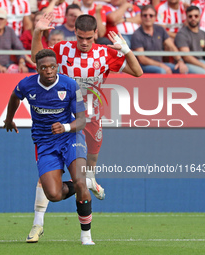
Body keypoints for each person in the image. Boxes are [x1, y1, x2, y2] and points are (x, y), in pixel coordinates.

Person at [26, 13, 143, 243]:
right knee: (47, 175)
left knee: (87, 171)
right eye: (80, 37)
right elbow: (36, 59)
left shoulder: (105, 53)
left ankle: (90, 183)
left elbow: (137, 72)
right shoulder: (62, 49)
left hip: (92, 119)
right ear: (75, 33)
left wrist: (126, 50)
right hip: (63, 120)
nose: (84, 43)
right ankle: (37, 225)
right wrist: (38, 32)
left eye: (89, 38)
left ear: (95, 35)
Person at [4, 48, 95, 245]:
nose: (48, 71)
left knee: (78, 180)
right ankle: (86, 184)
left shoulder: (69, 85)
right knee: (53, 195)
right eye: (43, 67)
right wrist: (9, 119)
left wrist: (65, 126)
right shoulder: (27, 85)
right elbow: (14, 97)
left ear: (57, 67)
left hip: (70, 137)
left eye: (52, 66)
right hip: (44, 142)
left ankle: (86, 235)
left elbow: (81, 121)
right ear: (36, 68)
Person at [131, 4, 188, 74]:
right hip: (143, 66)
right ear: (141, 17)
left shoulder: (160, 29)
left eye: (151, 15)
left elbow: (171, 46)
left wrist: (180, 61)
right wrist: (161, 65)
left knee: (182, 69)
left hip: (160, 64)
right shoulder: (137, 34)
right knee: (162, 71)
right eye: (145, 15)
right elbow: (142, 59)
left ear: (155, 17)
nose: (148, 17)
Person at [174, 5, 205, 74]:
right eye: (190, 16)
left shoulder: (203, 34)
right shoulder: (182, 34)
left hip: (200, 61)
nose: (193, 18)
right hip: (186, 64)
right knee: (204, 73)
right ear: (186, 18)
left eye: (196, 16)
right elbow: (186, 57)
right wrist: (204, 66)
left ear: (200, 17)